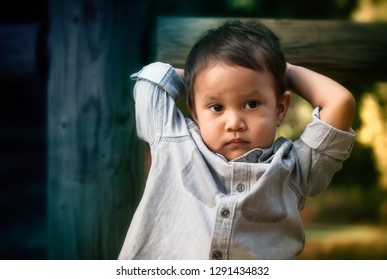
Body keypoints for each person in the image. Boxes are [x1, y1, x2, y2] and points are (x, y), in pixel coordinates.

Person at [119, 20, 356, 259]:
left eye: (252, 104)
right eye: (216, 107)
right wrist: (199, 77)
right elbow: (151, 81)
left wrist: (287, 71)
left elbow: (340, 102)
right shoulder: (175, 142)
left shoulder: (295, 169)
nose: (234, 123)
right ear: (194, 112)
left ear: (280, 109)